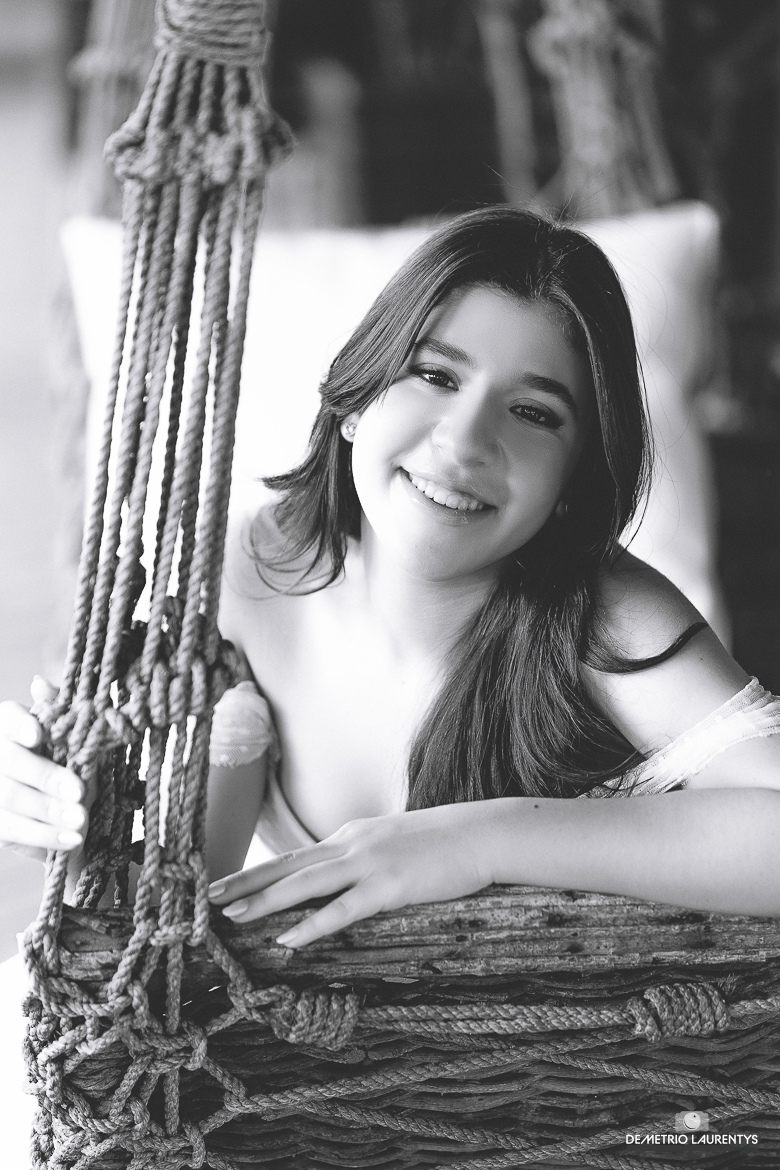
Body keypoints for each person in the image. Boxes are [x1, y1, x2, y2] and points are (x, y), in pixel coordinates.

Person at [2, 207, 780, 956]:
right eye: (435, 375)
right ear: (356, 401)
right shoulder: (242, 581)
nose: (465, 442)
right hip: (300, 1034)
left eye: (533, 413)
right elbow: (166, 897)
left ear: (573, 481)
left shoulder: (606, 616)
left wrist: (477, 840)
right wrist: (62, 812)